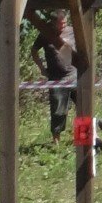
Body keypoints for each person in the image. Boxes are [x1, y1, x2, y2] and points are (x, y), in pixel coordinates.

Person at [31, 11, 76, 142]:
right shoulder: (45, 34)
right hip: (57, 78)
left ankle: (82, 137)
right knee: (58, 110)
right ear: (53, 23)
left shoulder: (73, 31)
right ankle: (56, 140)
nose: (63, 26)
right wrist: (42, 68)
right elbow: (34, 51)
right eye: (60, 24)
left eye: (65, 23)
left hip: (74, 75)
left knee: (83, 106)